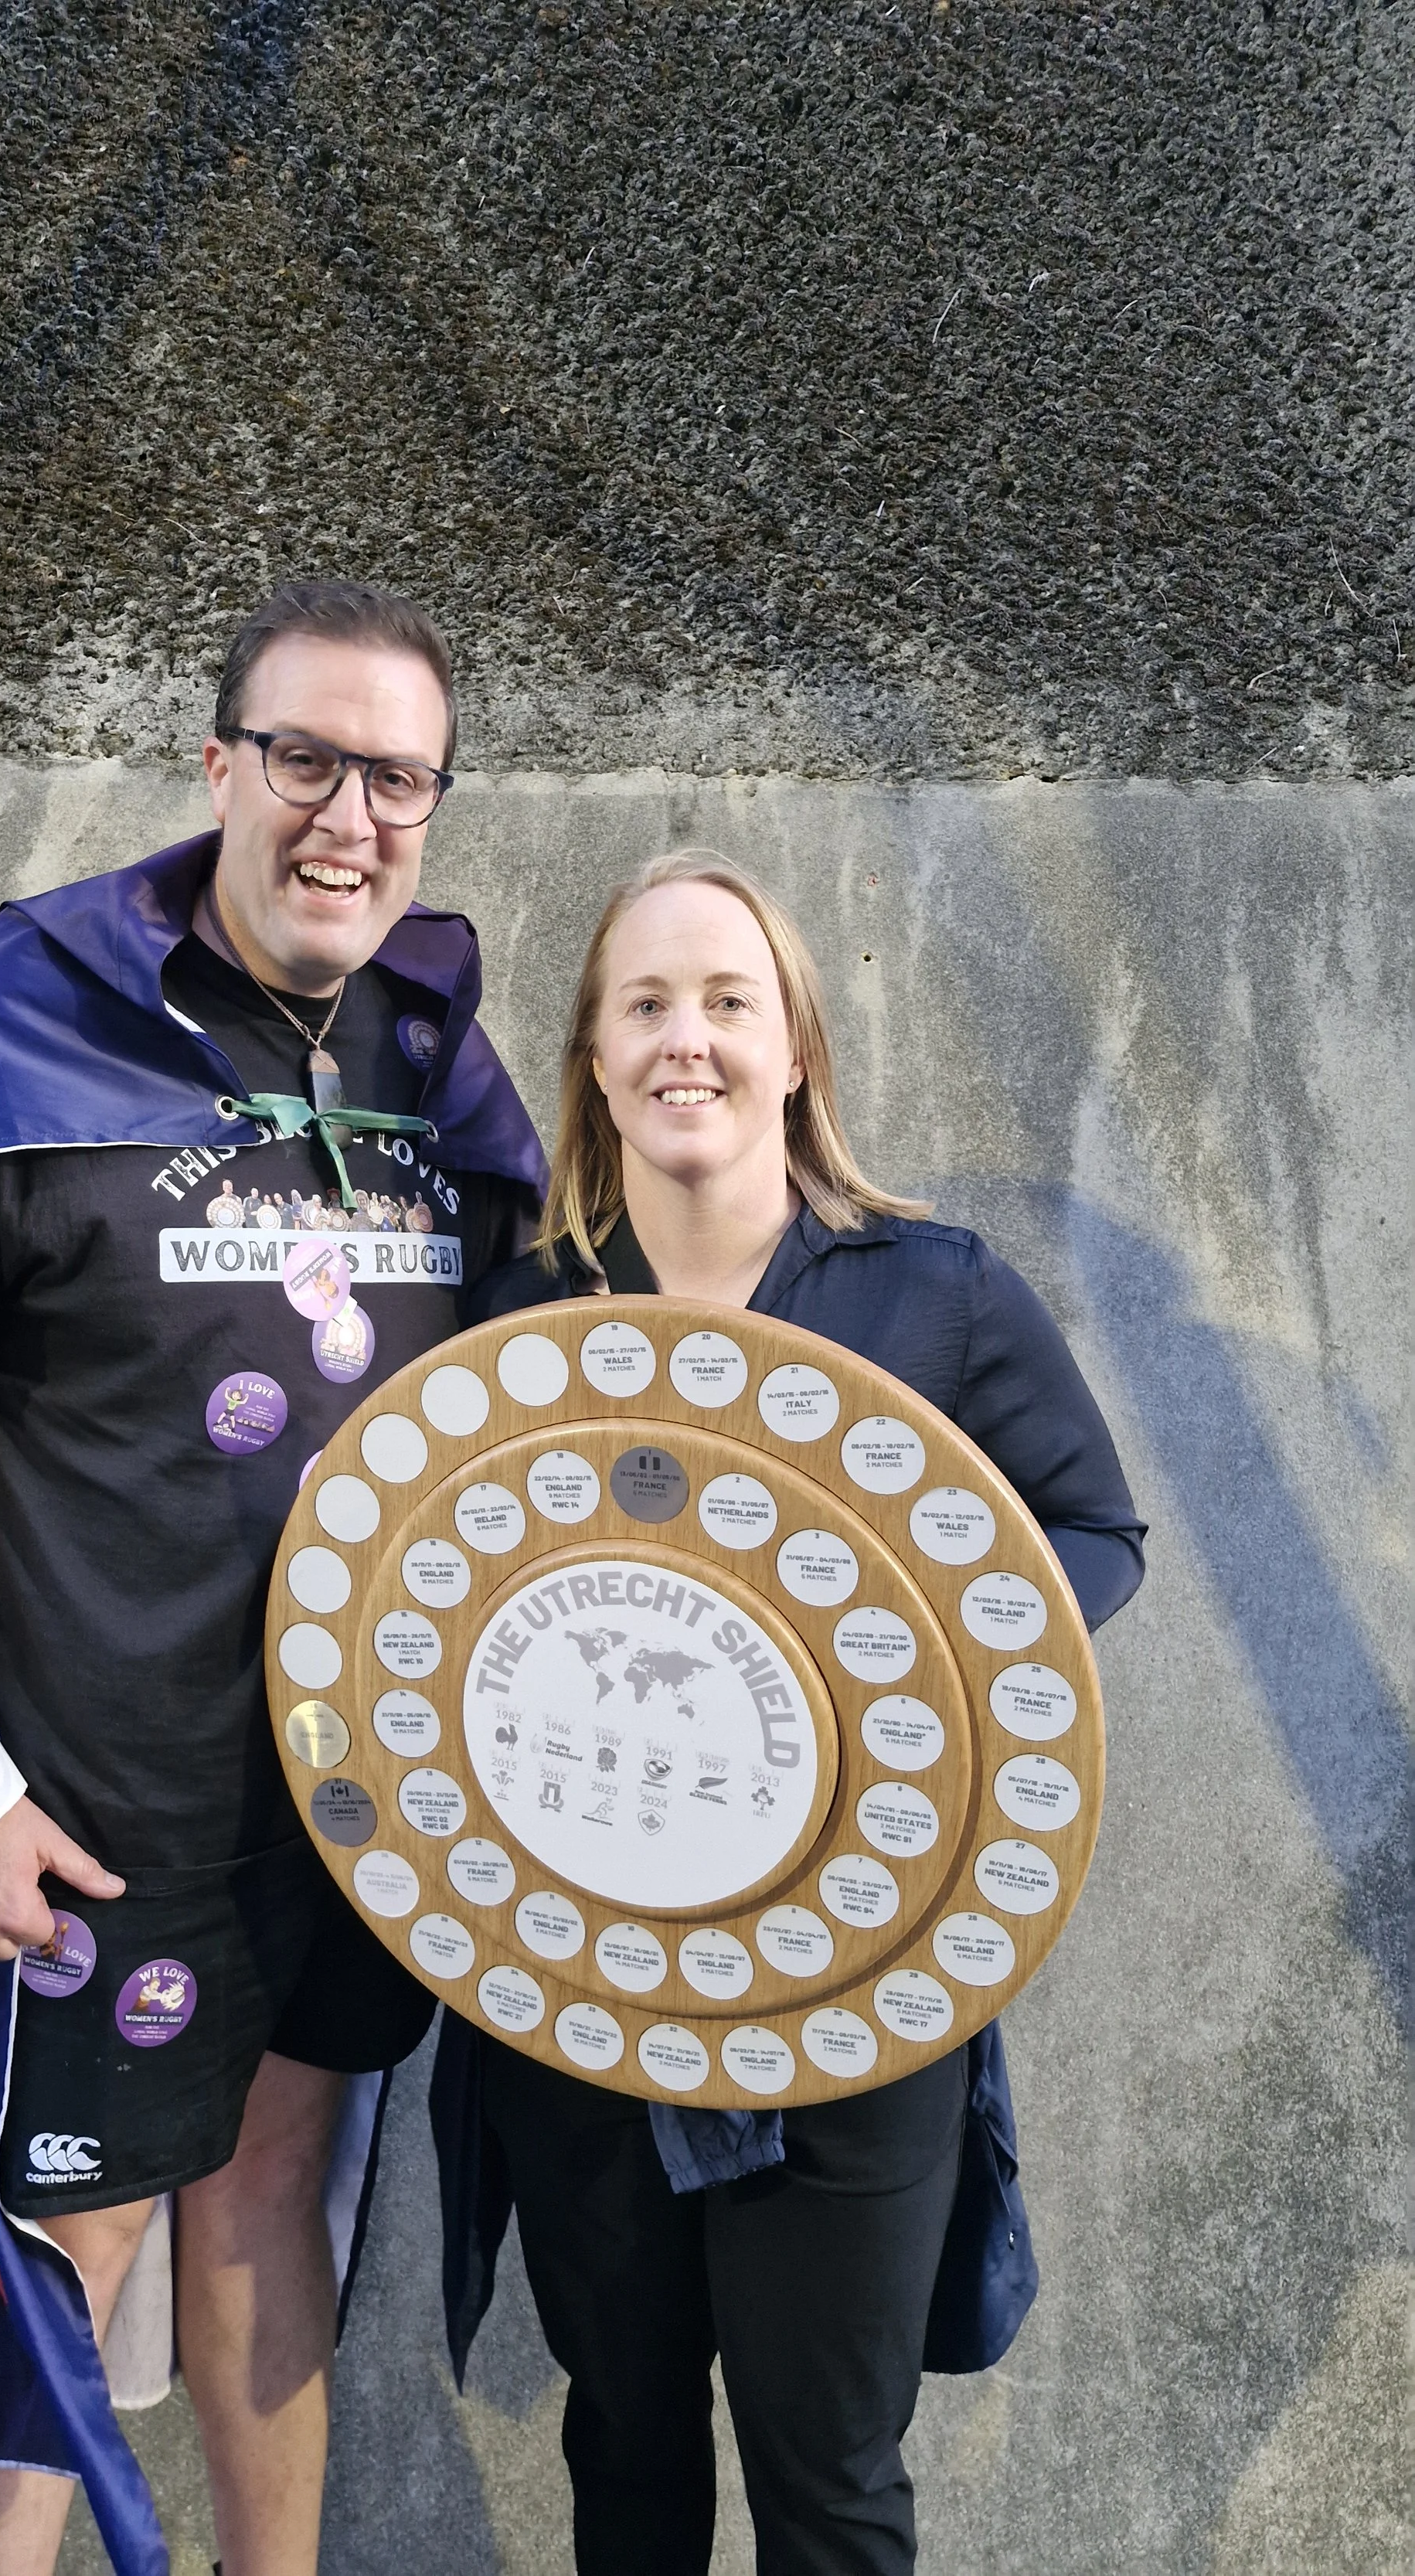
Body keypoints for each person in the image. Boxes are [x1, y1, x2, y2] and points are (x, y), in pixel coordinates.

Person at [0, 580, 545, 2576]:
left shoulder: (428, 1063)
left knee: (274, 2188)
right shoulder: (19, 1022)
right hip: (84, 1829)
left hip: (345, 1810)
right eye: (305, 757)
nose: (346, 815)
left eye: (397, 777)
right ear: (218, 765)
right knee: (39, 2256)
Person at [434, 849, 1146, 2576]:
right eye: (647, 1005)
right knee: (623, 2452)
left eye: (728, 1000)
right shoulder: (517, 1323)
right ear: (592, 1059)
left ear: (797, 1048)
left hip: (854, 2002)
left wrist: (909, 1664)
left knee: (829, 2479)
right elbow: (423, 1603)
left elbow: (1089, 1537)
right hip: (580, 1994)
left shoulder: (934, 1293)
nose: (689, 1039)